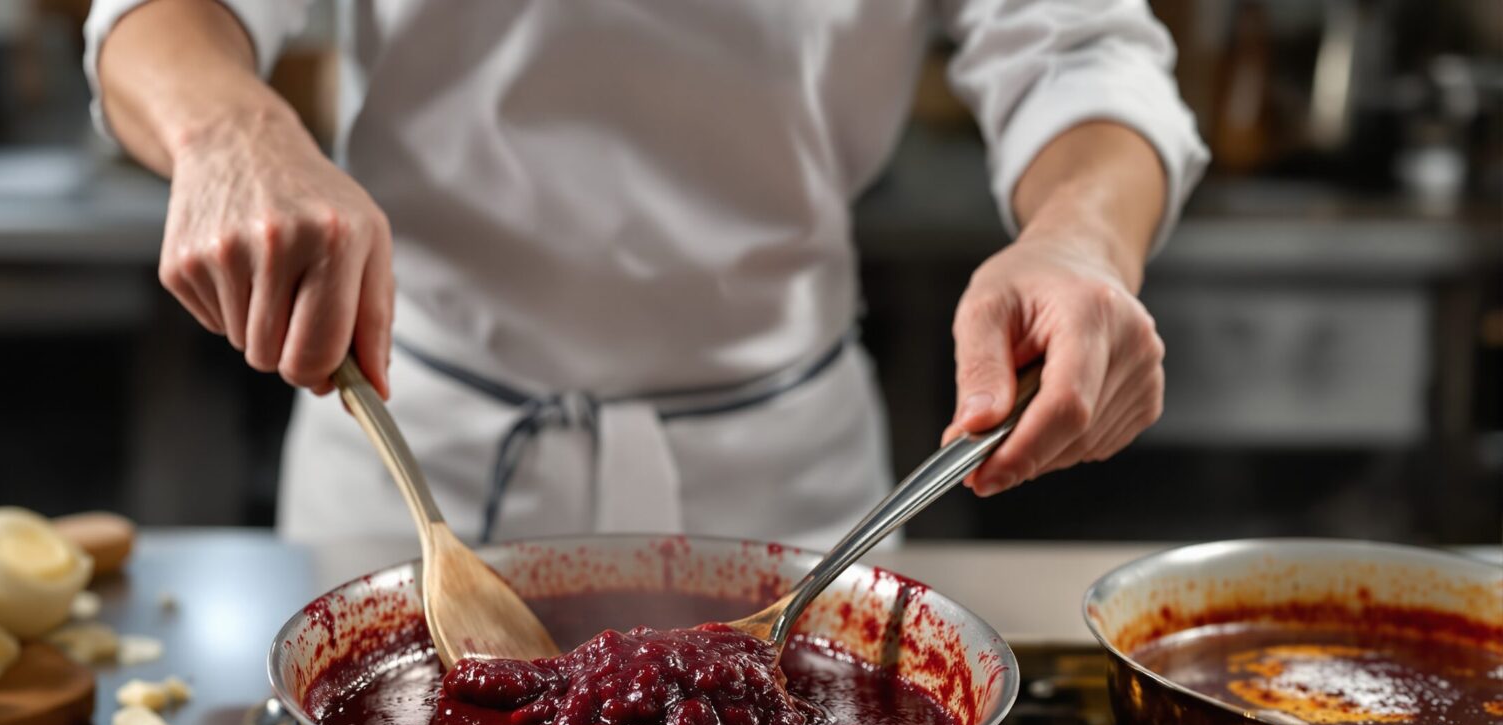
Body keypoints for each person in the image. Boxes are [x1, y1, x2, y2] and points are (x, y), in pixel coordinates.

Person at [87, 0, 1207, 547]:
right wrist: (228, 127)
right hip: (413, 461)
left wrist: (1082, 239)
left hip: (783, 487)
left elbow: (1083, 52)